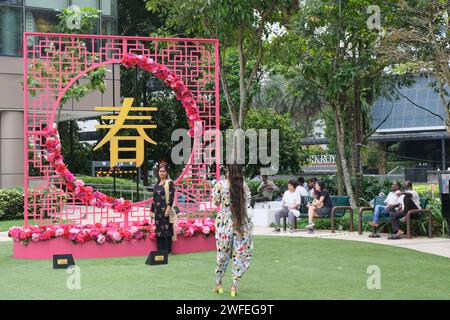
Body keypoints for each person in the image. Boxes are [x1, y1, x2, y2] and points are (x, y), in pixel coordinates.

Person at [212, 164, 253, 297]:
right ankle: (234, 286)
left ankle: (218, 284)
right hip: (241, 221)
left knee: (222, 253)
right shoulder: (244, 186)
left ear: (228, 171)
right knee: (239, 253)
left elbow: (216, 202)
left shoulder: (220, 185)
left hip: (224, 222)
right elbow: (247, 203)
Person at [150, 164, 175, 253]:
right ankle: (160, 251)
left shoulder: (169, 183)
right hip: (157, 211)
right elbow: (154, 199)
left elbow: (171, 196)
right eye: (160, 171)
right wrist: (152, 211)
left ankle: (167, 251)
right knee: (159, 231)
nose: (161, 173)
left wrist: (168, 208)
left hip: (165, 211)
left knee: (167, 230)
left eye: (163, 171)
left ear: (167, 172)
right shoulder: (156, 184)